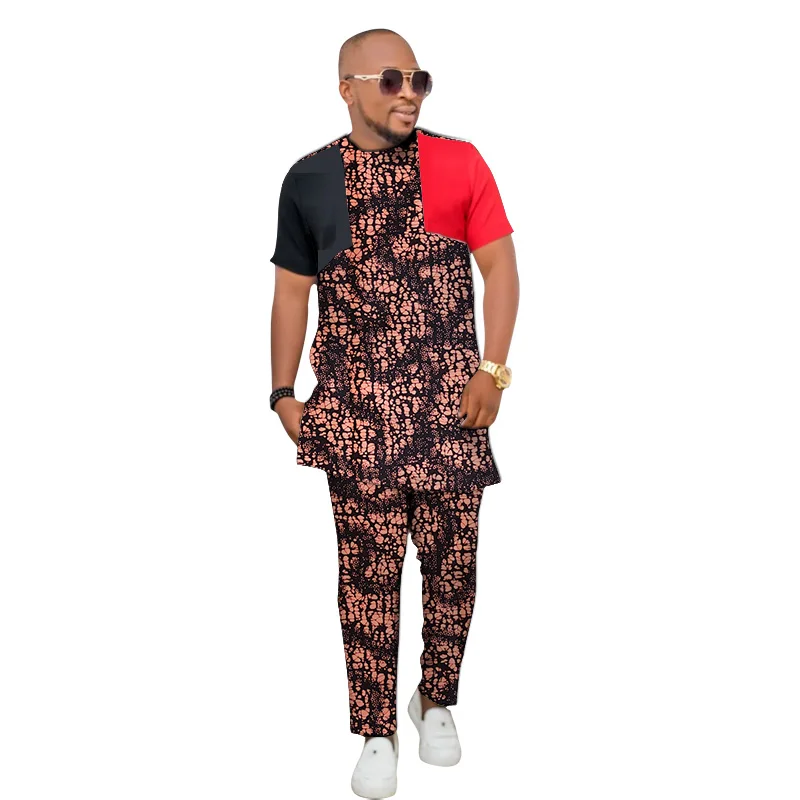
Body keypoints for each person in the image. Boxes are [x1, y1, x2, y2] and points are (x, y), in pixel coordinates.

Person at [269, 28, 519, 799]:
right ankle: (376, 729)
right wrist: (283, 394)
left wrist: (493, 370)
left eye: (418, 79)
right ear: (346, 88)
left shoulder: (458, 162)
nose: (408, 93)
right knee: (366, 581)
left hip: (452, 411)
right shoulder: (309, 179)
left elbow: (501, 266)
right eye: (389, 80)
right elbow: (291, 293)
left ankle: (434, 698)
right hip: (355, 416)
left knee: (454, 570)